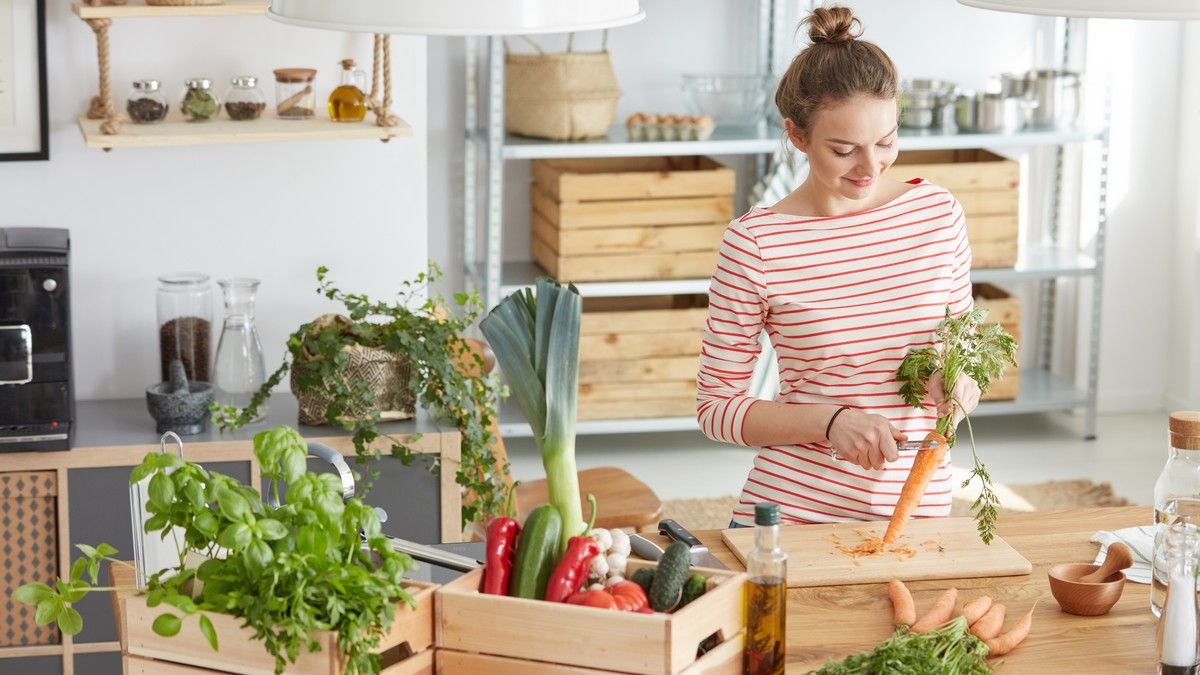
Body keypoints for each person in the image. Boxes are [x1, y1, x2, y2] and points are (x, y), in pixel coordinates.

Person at [696, 5, 982, 528]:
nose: (870, 167)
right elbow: (717, 408)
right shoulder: (756, 243)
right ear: (798, 135)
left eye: (887, 142)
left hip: (918, 510)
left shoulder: (938, 214)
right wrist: (831, 422)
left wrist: (963, 381)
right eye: (844, 149)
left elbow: (960, 344)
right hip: (793, 518)